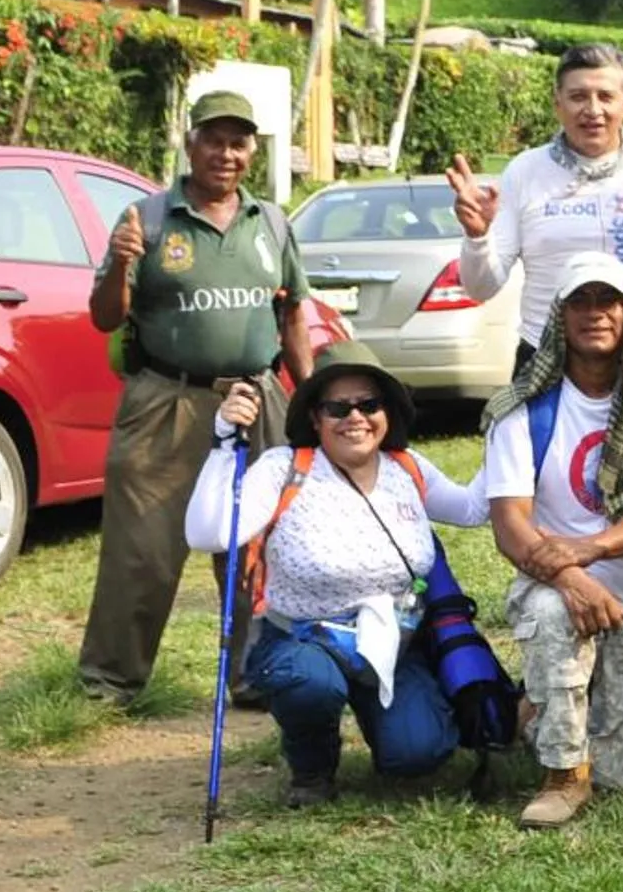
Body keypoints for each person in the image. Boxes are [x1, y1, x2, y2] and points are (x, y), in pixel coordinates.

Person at [78, 89, 315, 709]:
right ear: (191, 144)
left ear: (252, 151)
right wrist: (118, 265)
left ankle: (254, 674)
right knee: (144, 548)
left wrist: (312, 398)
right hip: (169, 401)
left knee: (257, 544)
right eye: (214, 140)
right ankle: (110, 682)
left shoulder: (271, 223)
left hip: (257, 397)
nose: (226, 154)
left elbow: (292, 314)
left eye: (239, 143)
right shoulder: (148, 219)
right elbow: (105, 317)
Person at [186, 343, 488, 804]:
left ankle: (390, 721)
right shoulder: (285, 468)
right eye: (338, 408)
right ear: (314, 417)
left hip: (392, 641)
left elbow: (472, 509)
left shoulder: (407, 467)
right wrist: (224, 441)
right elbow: (207, 534)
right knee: (310, 685)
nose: (356, 418)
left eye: (369, 404)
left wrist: (507, 431)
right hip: (301, 637)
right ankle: (311, 769)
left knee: (418, 754)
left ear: (387, 411)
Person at [482, 253, 623, 828]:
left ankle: (537, 708)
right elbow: (509, 523)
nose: (595, 313)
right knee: (552, 612)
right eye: (580, 301)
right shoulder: (523, 409)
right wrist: (570, 576)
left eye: (608, 300)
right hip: (559, 586)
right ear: (560, 317)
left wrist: (588, 549)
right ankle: (563, 774)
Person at [446, 41, 623, 379]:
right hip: (546, 367)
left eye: (605, 97)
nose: (593, 110)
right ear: (558, 104)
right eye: (578, 97)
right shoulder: (525, 172)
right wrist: (477, 237)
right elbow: (481, 288)